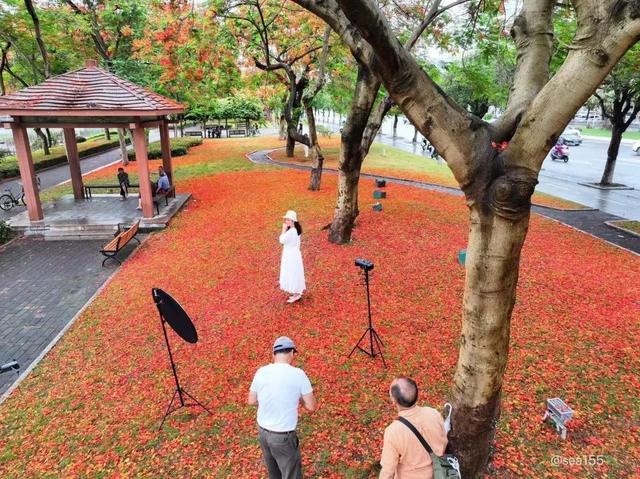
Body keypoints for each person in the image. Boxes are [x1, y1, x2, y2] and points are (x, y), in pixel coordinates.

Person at [249, 336, 316, 479]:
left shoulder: (261, 371)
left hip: (263, 432)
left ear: (273, 354)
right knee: (291, 474)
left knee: (274, 473)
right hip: (283, 437)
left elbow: (251, 400)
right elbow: (311, 406)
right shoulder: (298, 374)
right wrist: (299, 401)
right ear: (292, 353)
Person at [379, 377, 448, 479]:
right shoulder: (433, 413)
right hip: (438, 474)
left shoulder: (393, 432)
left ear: (394, 400)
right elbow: (444, 442)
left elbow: (388, 471)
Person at [279, 210, 306, 303]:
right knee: (295, 271)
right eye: (286, 220)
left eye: (288, 220)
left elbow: (281, 240)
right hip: (294, 254)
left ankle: (296, 293)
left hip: (290, 255)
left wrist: (283, 230)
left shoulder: (291, 231)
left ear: (293, 221)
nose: (286, 221)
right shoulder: (295, 230)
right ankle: (297, 292)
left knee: (292, 272)